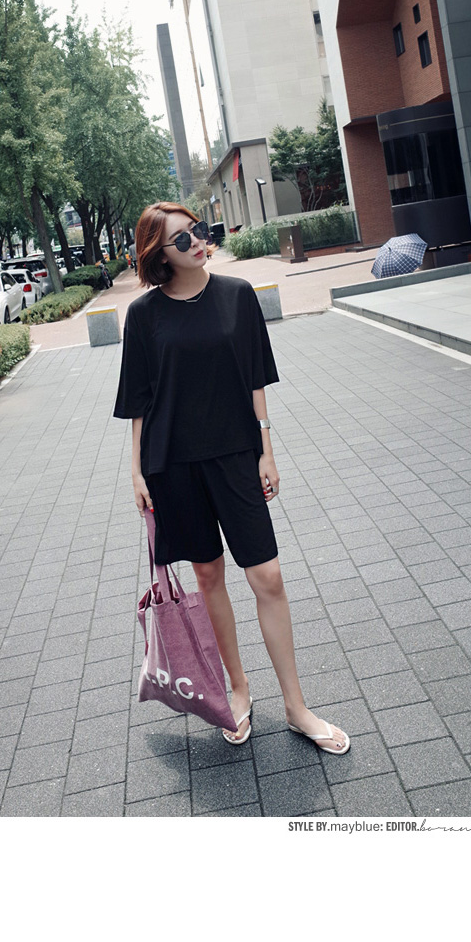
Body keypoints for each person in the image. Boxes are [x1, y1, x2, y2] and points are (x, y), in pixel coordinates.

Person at [114, 202, 349, 753]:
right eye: (181, 239)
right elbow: (139, 402)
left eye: (198, 230)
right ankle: (237, 690)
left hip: (236, 455)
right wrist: (136, 471)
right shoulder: (144, 316)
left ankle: (296, 706)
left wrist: (267, 451)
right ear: (158, 254)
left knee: (268, 577)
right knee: (209, 577)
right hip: (174, 465)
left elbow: (255, 378)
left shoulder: (237, 295)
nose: (197, 241)